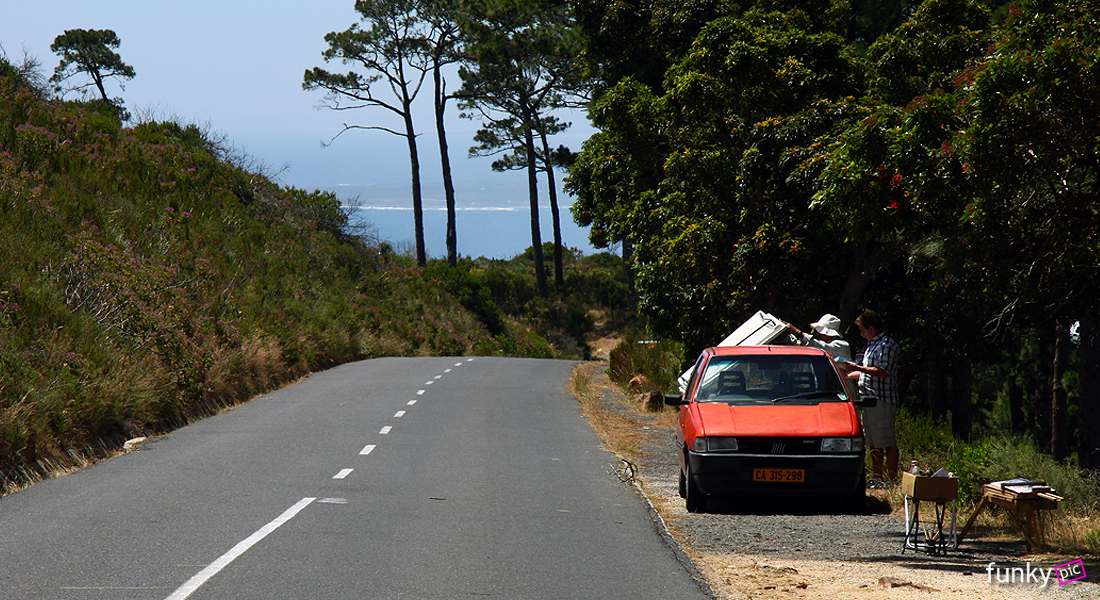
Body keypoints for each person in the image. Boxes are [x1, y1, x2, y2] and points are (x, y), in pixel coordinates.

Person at [844, 310, 900, 488]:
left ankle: (891, 479)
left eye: (862, 330)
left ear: (871, 329)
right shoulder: (873, 345)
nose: (861, 334)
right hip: (868, 400)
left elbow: (882, 371)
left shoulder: (886, 345)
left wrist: (859, 368)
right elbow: (865, 373)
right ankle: (878, 478)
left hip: (881, 400)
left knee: (886, 440)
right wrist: (845, 374)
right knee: (873, 441)